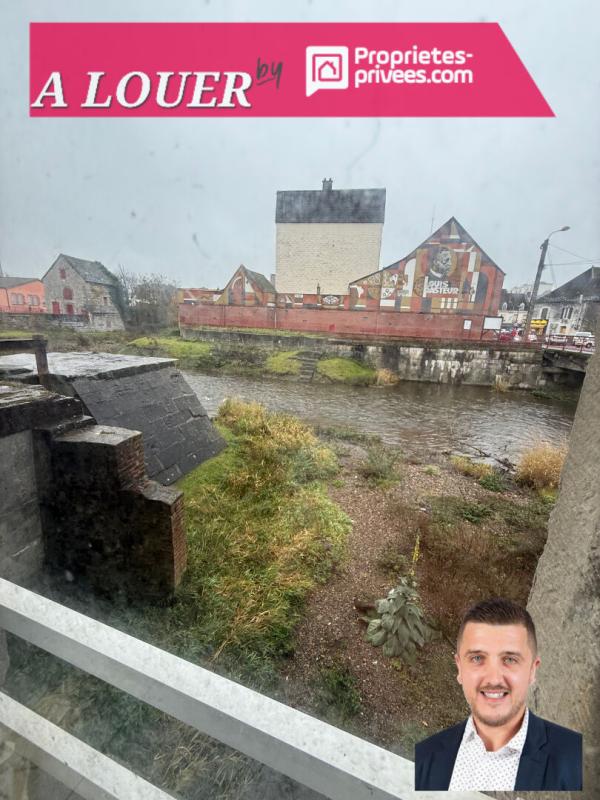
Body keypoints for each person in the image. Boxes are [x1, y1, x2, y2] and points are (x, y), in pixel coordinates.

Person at [415, 598, 582, 791]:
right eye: (477, 658)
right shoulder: (423, 758)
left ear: (532, 670)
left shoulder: (578, 761)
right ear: (459, 668)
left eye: (510, 659)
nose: (494, 679)